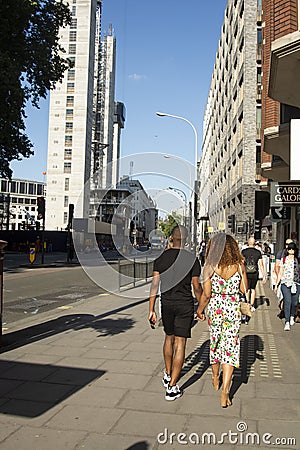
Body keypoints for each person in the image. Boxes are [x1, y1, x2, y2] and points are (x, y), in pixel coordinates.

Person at [148, 225, 202, 401]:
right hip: (185, 304)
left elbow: (154, 286)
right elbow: (196, 286)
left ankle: (167, 373)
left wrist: (151, 309)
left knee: (168, 338)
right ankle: (172, 387)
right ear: (186, 239)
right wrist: (201, 307)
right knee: (180, 343)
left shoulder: (161, 258)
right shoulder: (191, 259)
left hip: (167, 303)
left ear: (171, 237)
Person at [197, 233, 248, 408]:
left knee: (216, 343)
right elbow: (244, 289)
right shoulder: (239, 265)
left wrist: (200, 310)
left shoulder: (209, 266)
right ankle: (226, 391)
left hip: (216, 309)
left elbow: (207, 294)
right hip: (233, 309)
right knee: (231, 348)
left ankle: (214, 377)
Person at [274, 241, 300, 331]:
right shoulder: (284, 259)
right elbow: (280, 272)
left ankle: (292, 315)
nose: (291, 250)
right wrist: (276, 285)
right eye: (289, 249)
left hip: (296, 283)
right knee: (287, 301)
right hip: (285, 283)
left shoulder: (298, 260)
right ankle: (287, 321)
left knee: (295, 302)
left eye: (293, 249)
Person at [241, 237, 267, 312]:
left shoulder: (243, 252)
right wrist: (264, 276)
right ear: (255, 243)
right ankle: (252, 305)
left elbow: (241, 263)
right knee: (253, 289)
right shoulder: (258, 252)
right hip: (255, 273)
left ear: (248, 243)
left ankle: (247, 303)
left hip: (246, 273)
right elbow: (261, 264)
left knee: (247, 289)